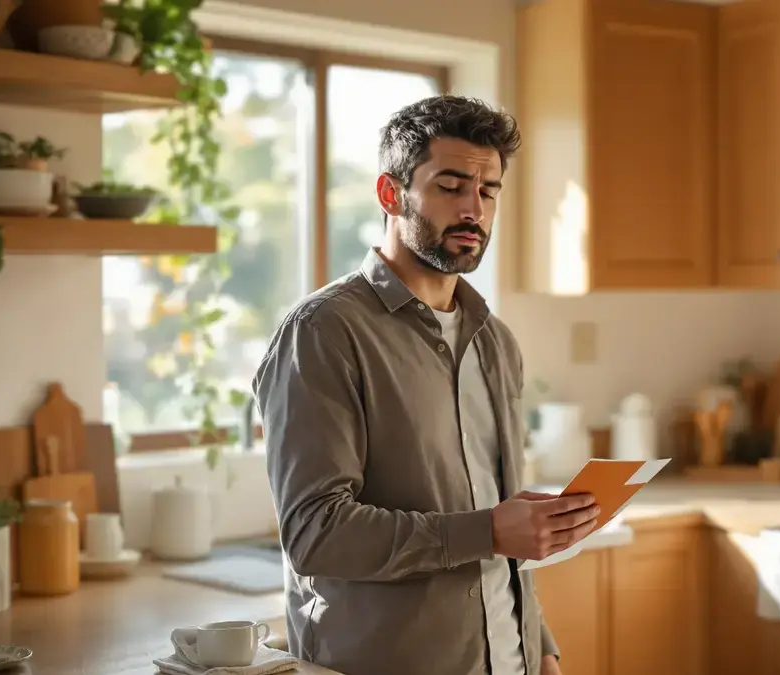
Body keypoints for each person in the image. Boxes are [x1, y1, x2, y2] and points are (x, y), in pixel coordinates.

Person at [252, 95, 601, 675]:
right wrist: (486, 531)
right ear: (392, 195)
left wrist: (537, 640)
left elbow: (498, 517)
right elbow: (315, 532)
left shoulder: (495, 341)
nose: (474, 209)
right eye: (450, 185)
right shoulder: (323, 332)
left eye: (488, 191)